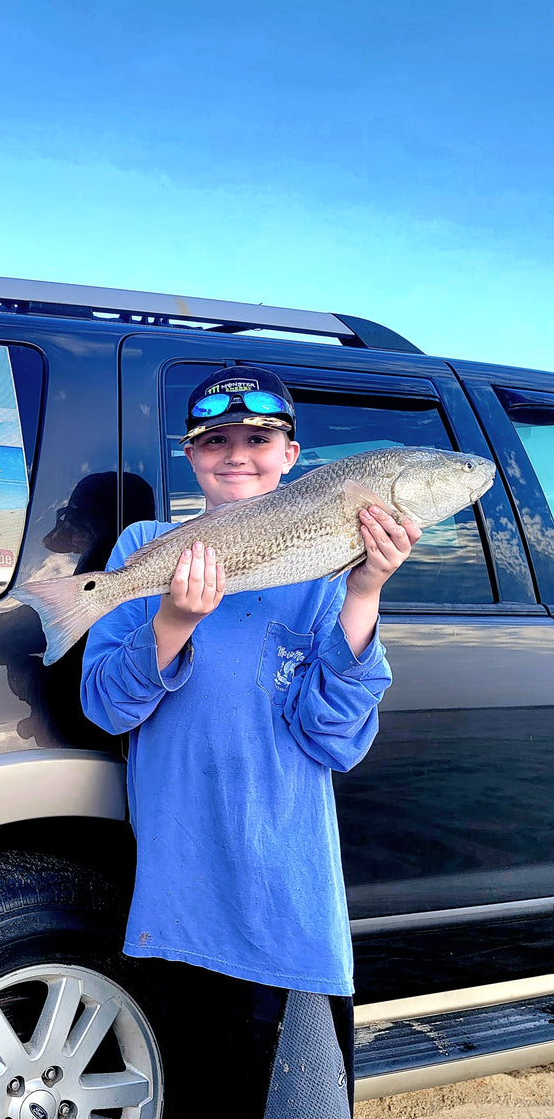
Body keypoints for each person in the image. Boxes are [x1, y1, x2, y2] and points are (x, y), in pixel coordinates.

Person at [79, 366, 419, 1118]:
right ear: (189, 457)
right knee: (199, 1091)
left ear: (290, 455)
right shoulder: (145, 546)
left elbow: (335, 740)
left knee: (295, 1101)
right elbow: (105, 706)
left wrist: (363, 591)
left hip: (286, 910)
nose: (237, 454)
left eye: (257, 439)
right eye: (215, 441)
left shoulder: (329, 568)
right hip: (176, 906)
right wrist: (171, 621)